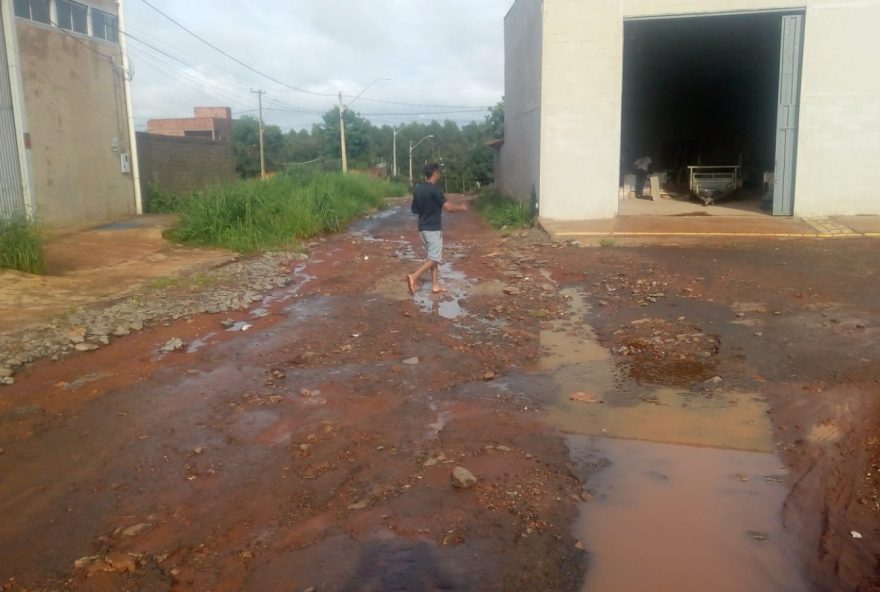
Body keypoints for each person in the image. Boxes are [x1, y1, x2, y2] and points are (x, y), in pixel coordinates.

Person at [406, 162, 467, 295]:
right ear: (434, 173)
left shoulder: (418, 189)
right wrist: (461, 208)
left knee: (432, 257)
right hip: (433, 229)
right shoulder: (436, 189)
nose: (439, 175)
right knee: (434, 258)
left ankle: (435, 285)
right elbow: (449, 207)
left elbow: (414, 210)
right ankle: (414, 277)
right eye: (438, 172)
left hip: (422, 228)